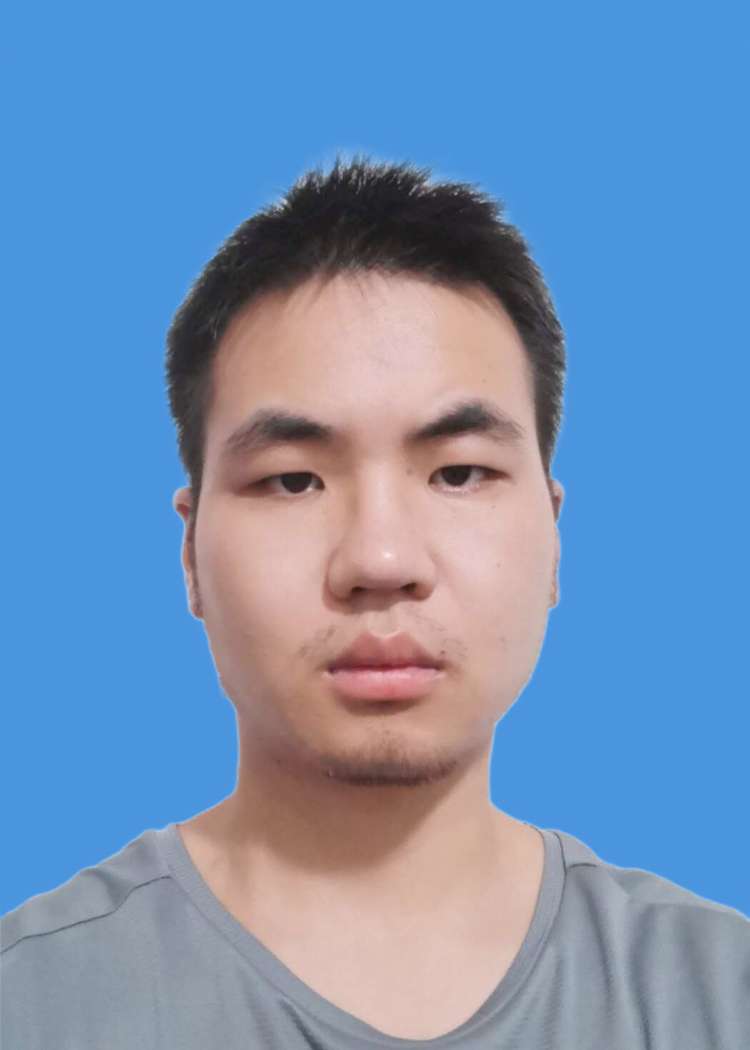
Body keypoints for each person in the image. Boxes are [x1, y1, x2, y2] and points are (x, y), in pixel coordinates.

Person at [2, 156, 747, 1049]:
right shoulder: (32, 1002)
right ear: (190, 554)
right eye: (293, 480)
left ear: (554, 537)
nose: (381, 560)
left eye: (459, 472)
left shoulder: (718, 995)